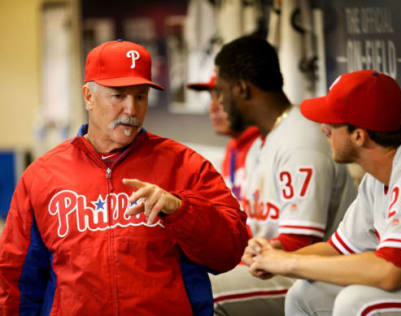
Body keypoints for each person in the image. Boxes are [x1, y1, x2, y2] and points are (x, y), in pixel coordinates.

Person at [0, 39, 250, 316]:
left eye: (140, 96)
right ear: (88, 96)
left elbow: (229, 252)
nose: (131, 110)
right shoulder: (42, 175)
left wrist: (181, 210)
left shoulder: (185, 165)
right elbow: (16, 280)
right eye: (119, 95)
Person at [246, 70, 401, 315]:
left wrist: (289, 263)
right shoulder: (379, 176)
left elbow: (389, 272)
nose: (323, 129)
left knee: (358, 302)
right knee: (306, 294)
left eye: (332, 123)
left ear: (359, 135)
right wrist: (274, 254)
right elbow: (338, 249)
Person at [210, 36, 357, 316]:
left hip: (312, 276)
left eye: (221, 91)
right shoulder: (260, 144)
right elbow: (249, 233)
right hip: (270, 266)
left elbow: (299, 243)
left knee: (202, 293)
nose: (219, 102)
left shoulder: (300, 140)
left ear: (241, 88)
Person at [187, 74, 260, 200]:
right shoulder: (232, 147)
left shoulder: (266, 145)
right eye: (211, 97)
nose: (212, 108)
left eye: (221, 97)